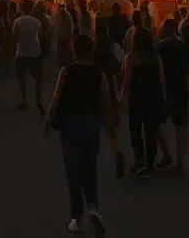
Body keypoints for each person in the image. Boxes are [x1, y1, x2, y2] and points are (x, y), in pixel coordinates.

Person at [45, 34, 113, 237]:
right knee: (89, 168)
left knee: (73, 172)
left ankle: (76, 218)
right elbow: (106, 101)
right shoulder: (99, 74)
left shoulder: (67, 71)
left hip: (70, 126)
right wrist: (109, 127)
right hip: (91, 126)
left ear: (75, 51)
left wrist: (48, 120)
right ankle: (94, 208)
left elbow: (56, 97)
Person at [121, 27, 166, 178]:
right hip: (152, 98)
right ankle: (150, 164)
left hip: (136, 98)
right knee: (150, 132)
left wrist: (122, 97)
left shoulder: (132, 58)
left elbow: (127, 81)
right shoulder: (155, 57)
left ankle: (139, 158)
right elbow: (161, 80)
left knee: (135, 130)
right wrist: (162, 98)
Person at [157, 17, 189, 171]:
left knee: (156, 122)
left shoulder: (162, 46)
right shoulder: (183, 45)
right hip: (181, 88)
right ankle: (180, 161)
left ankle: (166, 153)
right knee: (181, 126)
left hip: (166, 89)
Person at [12, 0, 45, 114]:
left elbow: (14, 37)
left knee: (22, 78)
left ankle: (24, 101)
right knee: (38, 78)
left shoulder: (17, 21)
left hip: (21, 52)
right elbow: (41, 36)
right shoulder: (36, 22)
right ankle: (38, 100)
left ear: (21, 8)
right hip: (35, 52)